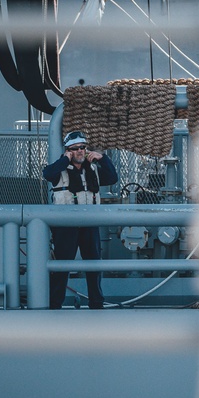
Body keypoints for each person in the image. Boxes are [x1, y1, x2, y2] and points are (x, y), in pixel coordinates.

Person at [41, 131, 119, 309]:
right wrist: (64, 160)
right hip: (65, 226)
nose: (80, 151)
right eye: (75, 149)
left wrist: (102, 158)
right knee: (62, 266)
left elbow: (112, 177)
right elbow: (48, 174)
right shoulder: (60, 170)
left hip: (89, 224)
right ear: (68, 150)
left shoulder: (93, 169)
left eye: (83, 147)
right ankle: (55, 304)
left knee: (93, 264)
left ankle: (96, 303)